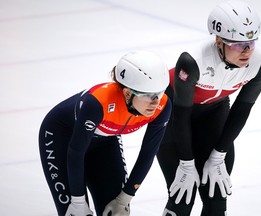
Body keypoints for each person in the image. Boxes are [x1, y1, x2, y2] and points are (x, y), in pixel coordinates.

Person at [157, 1, 261, 215]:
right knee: (184, 196)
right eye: (238, 44)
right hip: (174, 118)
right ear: (219, 40)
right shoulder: (192, 61)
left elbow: (242, 109)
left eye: (251, 42)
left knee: (216, 195)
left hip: (213, 114)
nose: (246, 51)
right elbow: (181, 116)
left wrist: (219, 154)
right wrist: (186, 163)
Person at [38, 50, 171, 216]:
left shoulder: (162, 106)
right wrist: (78, 201)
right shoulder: (99, 102)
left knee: (116, 212)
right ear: (127, 93)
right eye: (149, 95)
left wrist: (125, 198)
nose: (156, 102)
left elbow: (147, 154)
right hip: (63, 137)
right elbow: (76, 152)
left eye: (160, 92)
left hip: (105, 142)